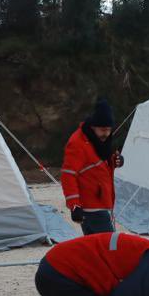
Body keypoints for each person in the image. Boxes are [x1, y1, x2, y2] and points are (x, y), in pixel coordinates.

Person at [61, 97, 124, 235]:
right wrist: (74, 205)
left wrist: (116, 160)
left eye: (108, 130)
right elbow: (68, 175)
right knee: (109, 246)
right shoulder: (77, 143)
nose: (106, 134)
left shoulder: (98, 140)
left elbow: (98, 164)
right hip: (92, 207)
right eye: (103, 130)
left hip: (103, 203)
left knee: (95, 248)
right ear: (93, 127)